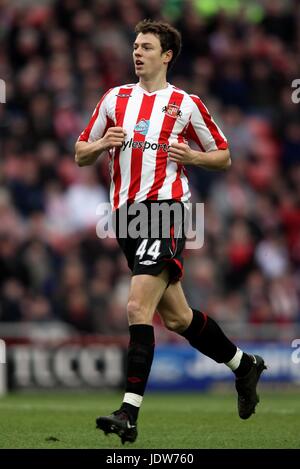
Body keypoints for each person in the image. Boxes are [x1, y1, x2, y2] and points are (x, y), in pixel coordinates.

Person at [75, 19, 266, 444]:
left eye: (146, 47)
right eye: (134, 46)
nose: (137, 53)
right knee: (178, 317)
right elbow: (79, 153)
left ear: (167, 56)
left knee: (136, 308)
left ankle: (128, 412)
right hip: (126, 217)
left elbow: (224, 156)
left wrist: (194, 159)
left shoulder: (186, 104)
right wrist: (103, 144)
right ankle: (244, 365)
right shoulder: (114, 99)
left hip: (167, 211)